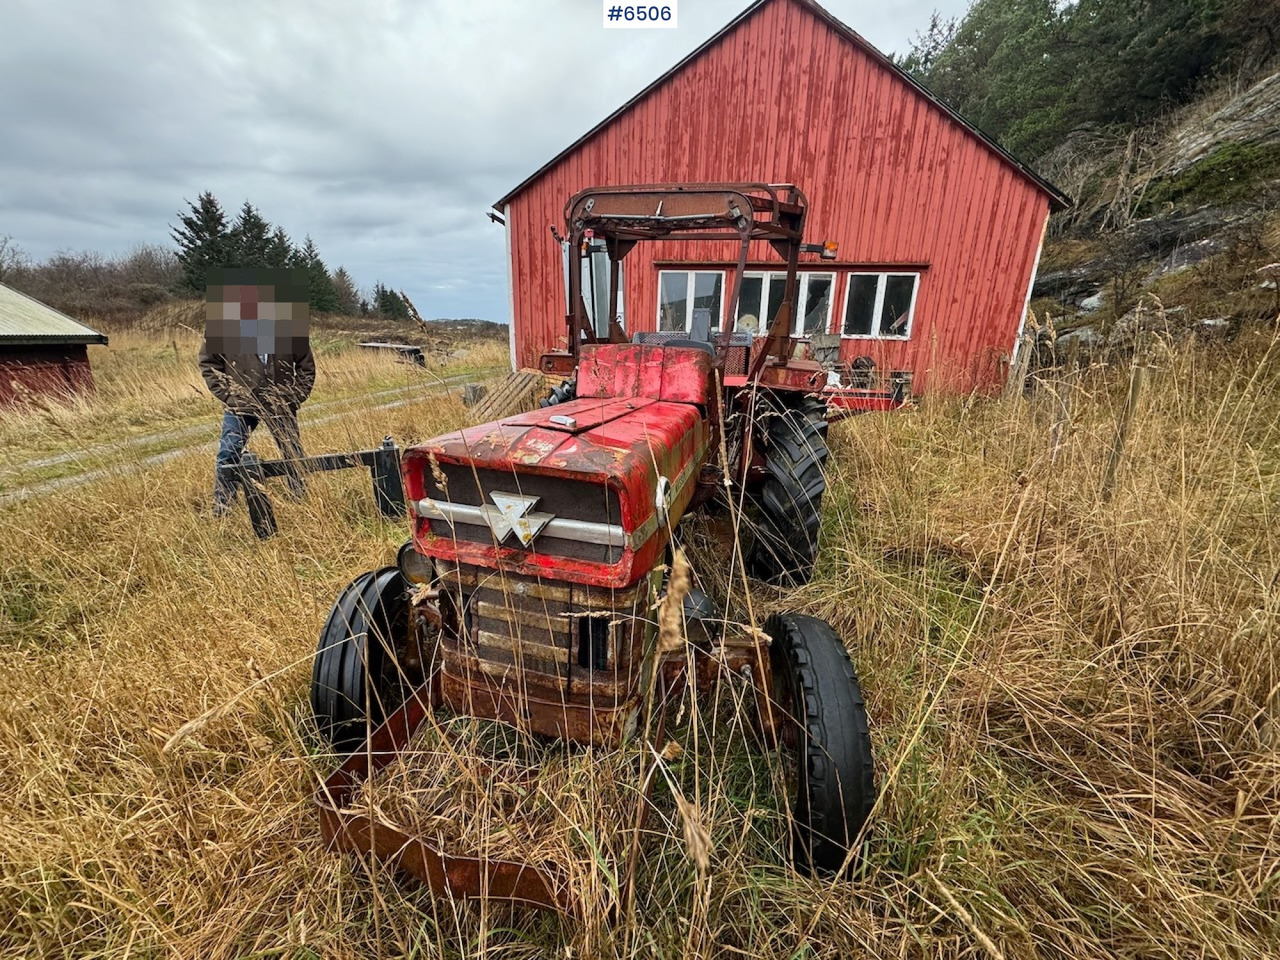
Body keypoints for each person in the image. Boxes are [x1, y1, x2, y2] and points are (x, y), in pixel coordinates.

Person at [200, 341, 315, 516]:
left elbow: (306, 366)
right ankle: (223, 508)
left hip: (280, 403)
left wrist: (292, 397)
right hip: (240, 404)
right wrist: (229, 397)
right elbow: (209, 362)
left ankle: (300, 500)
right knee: (228, 453)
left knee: (292, 451)